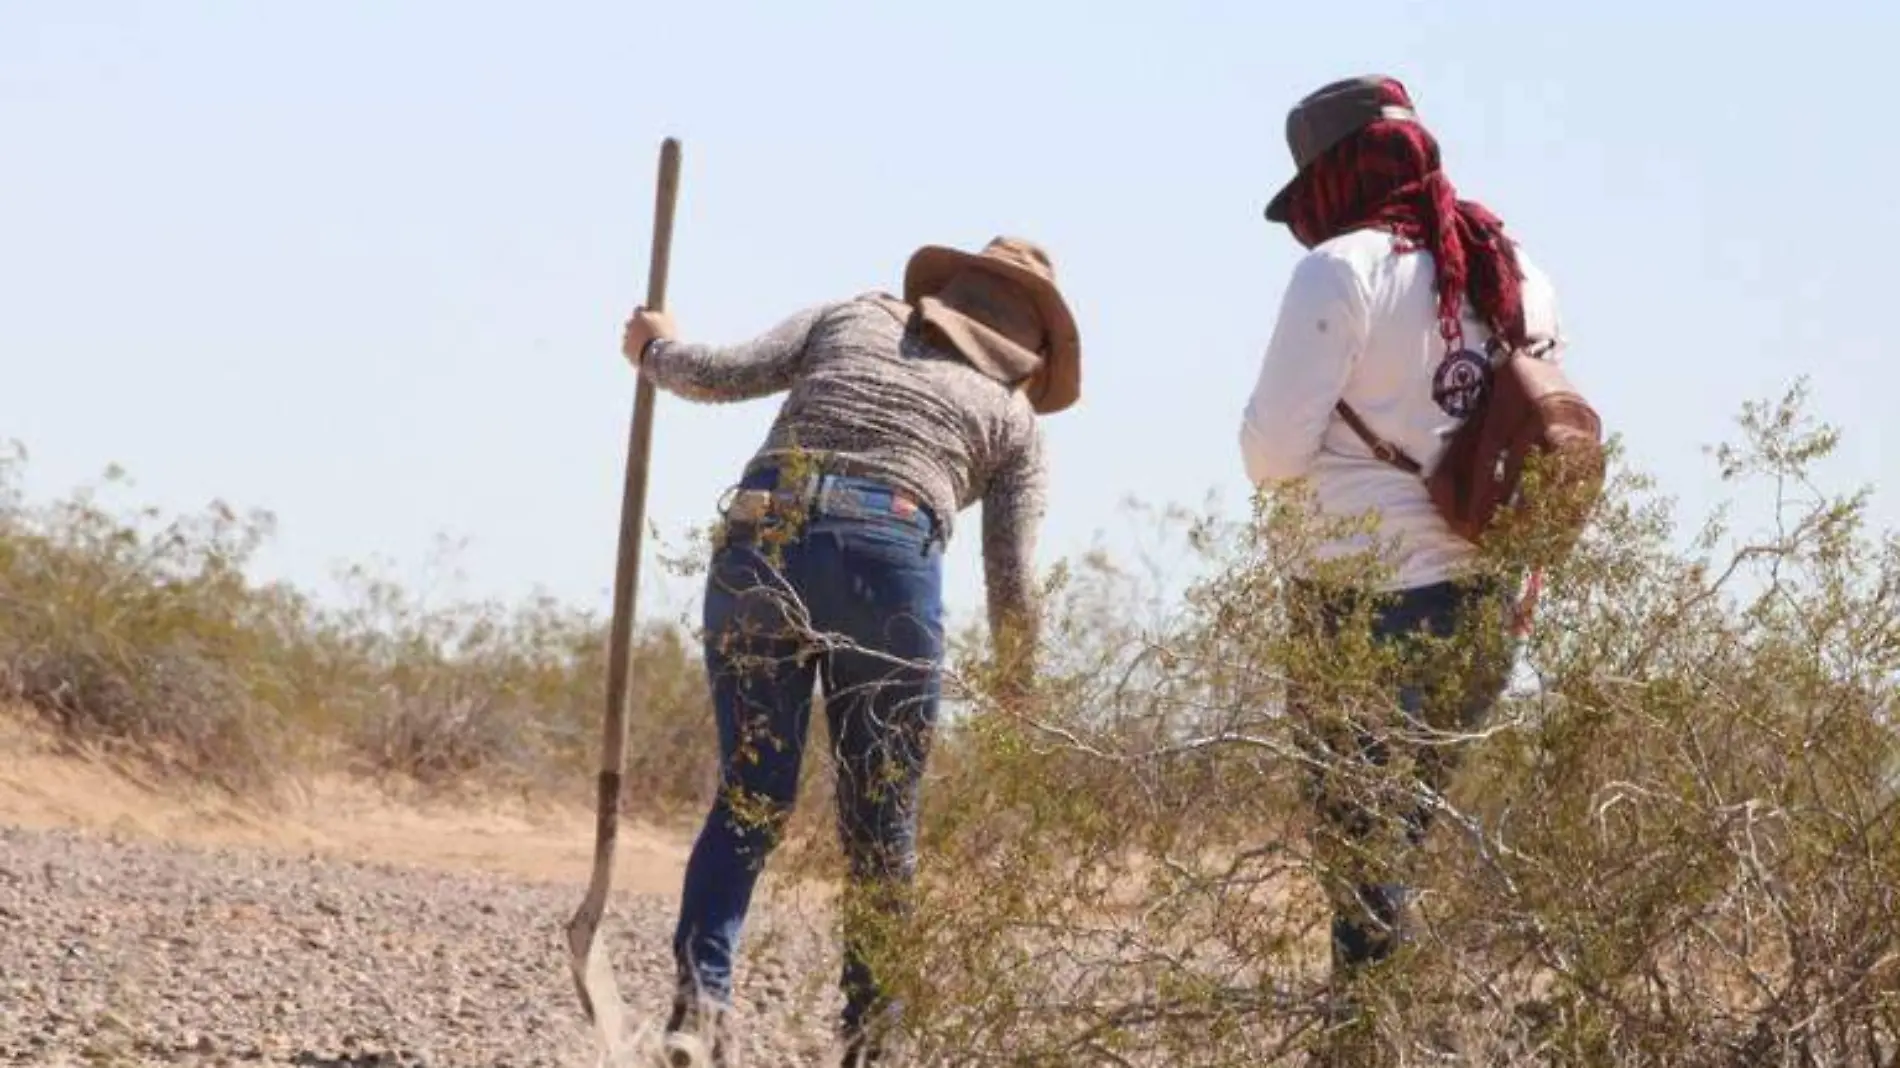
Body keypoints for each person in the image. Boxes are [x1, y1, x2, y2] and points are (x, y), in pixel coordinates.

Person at [619, 236, 1081, 1066]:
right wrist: (1020, 690)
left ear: (947, 291)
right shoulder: (1012, 420)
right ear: (1031, 349)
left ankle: (699, 1010)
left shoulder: (852, 317)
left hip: (764, 533)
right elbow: (1011, 579)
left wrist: (655, 349)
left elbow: (716, 373)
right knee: (881, 830)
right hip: (888, 560)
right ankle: (873, 1047)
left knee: (751, 798)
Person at [1237, 76, 1563, 1001]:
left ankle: (1370, 1037)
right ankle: (1394, 1027)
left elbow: (1272, 453)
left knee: (1362, 860)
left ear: (1330, 178)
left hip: (1359, 596)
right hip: (1487, 604)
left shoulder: (1341, 270)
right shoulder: (1518, 268)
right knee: (1399, 845)